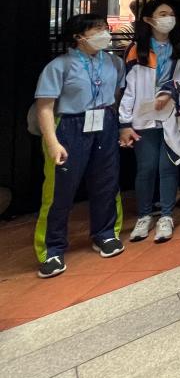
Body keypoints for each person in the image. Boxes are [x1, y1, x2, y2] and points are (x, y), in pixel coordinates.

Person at [33, 14, 126, 277]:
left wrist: (120, 125)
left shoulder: (114, 62)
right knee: (59, 190)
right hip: (69, 125)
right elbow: (44, 107)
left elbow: (117, 96)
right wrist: (52, 142)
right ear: (78, 36)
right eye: (97, 29)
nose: (104, 33)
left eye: (105, 28)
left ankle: (106, 234)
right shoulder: (59, 66)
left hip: (105, 122)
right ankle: (51, 249)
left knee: (107, 182)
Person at [119, 0, 180, 244]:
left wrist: (171, 90)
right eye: (162, 14)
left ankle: (166, 215)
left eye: (171, 14)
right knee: (146, 167)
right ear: (148, 19)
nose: (168, 18)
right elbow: (128, 90)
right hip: (143, 117)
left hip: (173, 115)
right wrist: (124, 122)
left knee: (168, 166)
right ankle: (144, 215)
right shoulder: (137, 49)